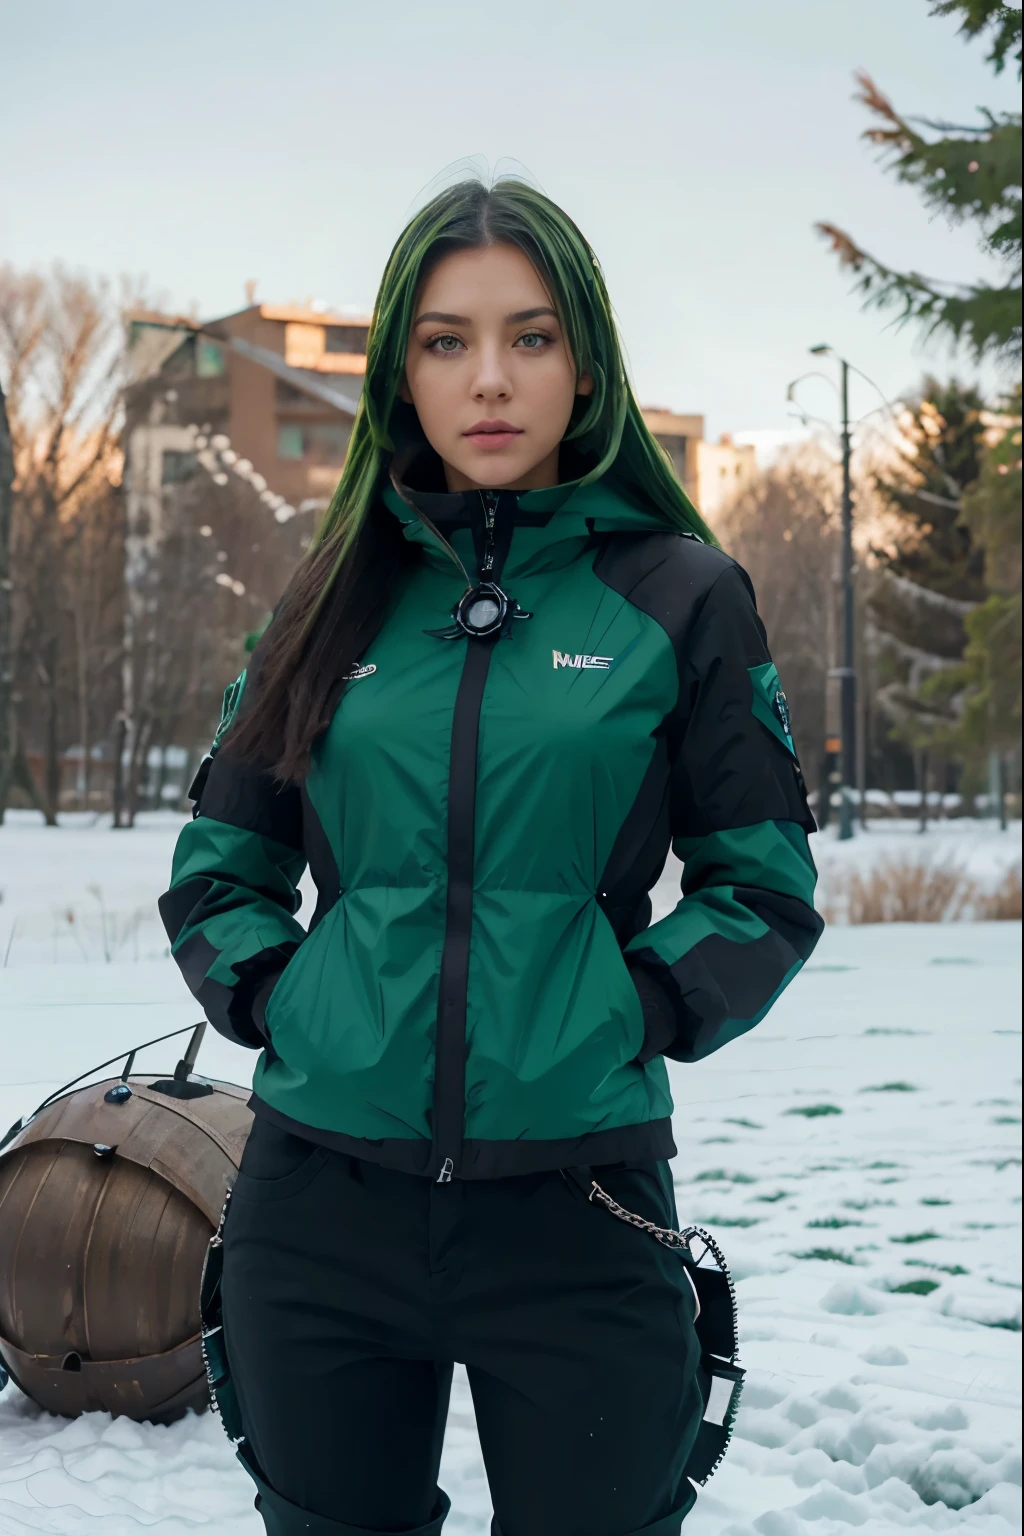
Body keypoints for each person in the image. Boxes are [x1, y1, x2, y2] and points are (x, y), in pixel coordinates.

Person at [160, 176, 822, 1536]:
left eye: (529, 336)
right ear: (404, 369)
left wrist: (626, 1009)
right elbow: (220, 868)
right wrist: (289, 1002)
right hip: (317, 1205)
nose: (491, 379)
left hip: (579, 1206)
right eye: (448, 341)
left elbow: (763, 884)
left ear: (586, 365)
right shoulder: (331, 589)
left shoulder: (681, 595)